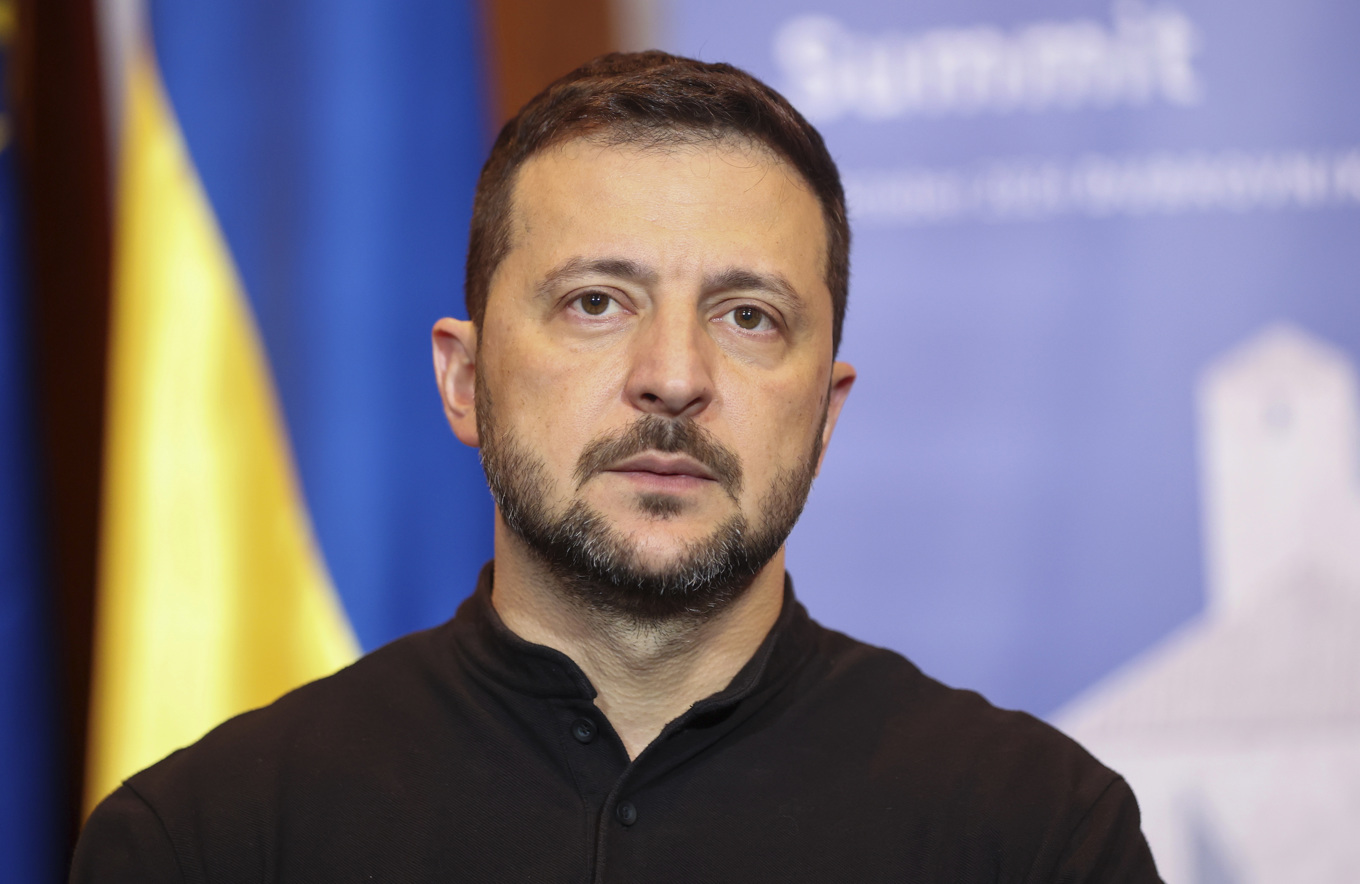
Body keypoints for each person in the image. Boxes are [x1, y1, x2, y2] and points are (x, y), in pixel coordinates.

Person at [72, 51, 1161, 882]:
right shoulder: (206, 839)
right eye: (596, 301)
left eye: (747, 316)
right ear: (463, 379)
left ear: (826, 413)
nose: (673, 375)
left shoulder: (1036, 833)